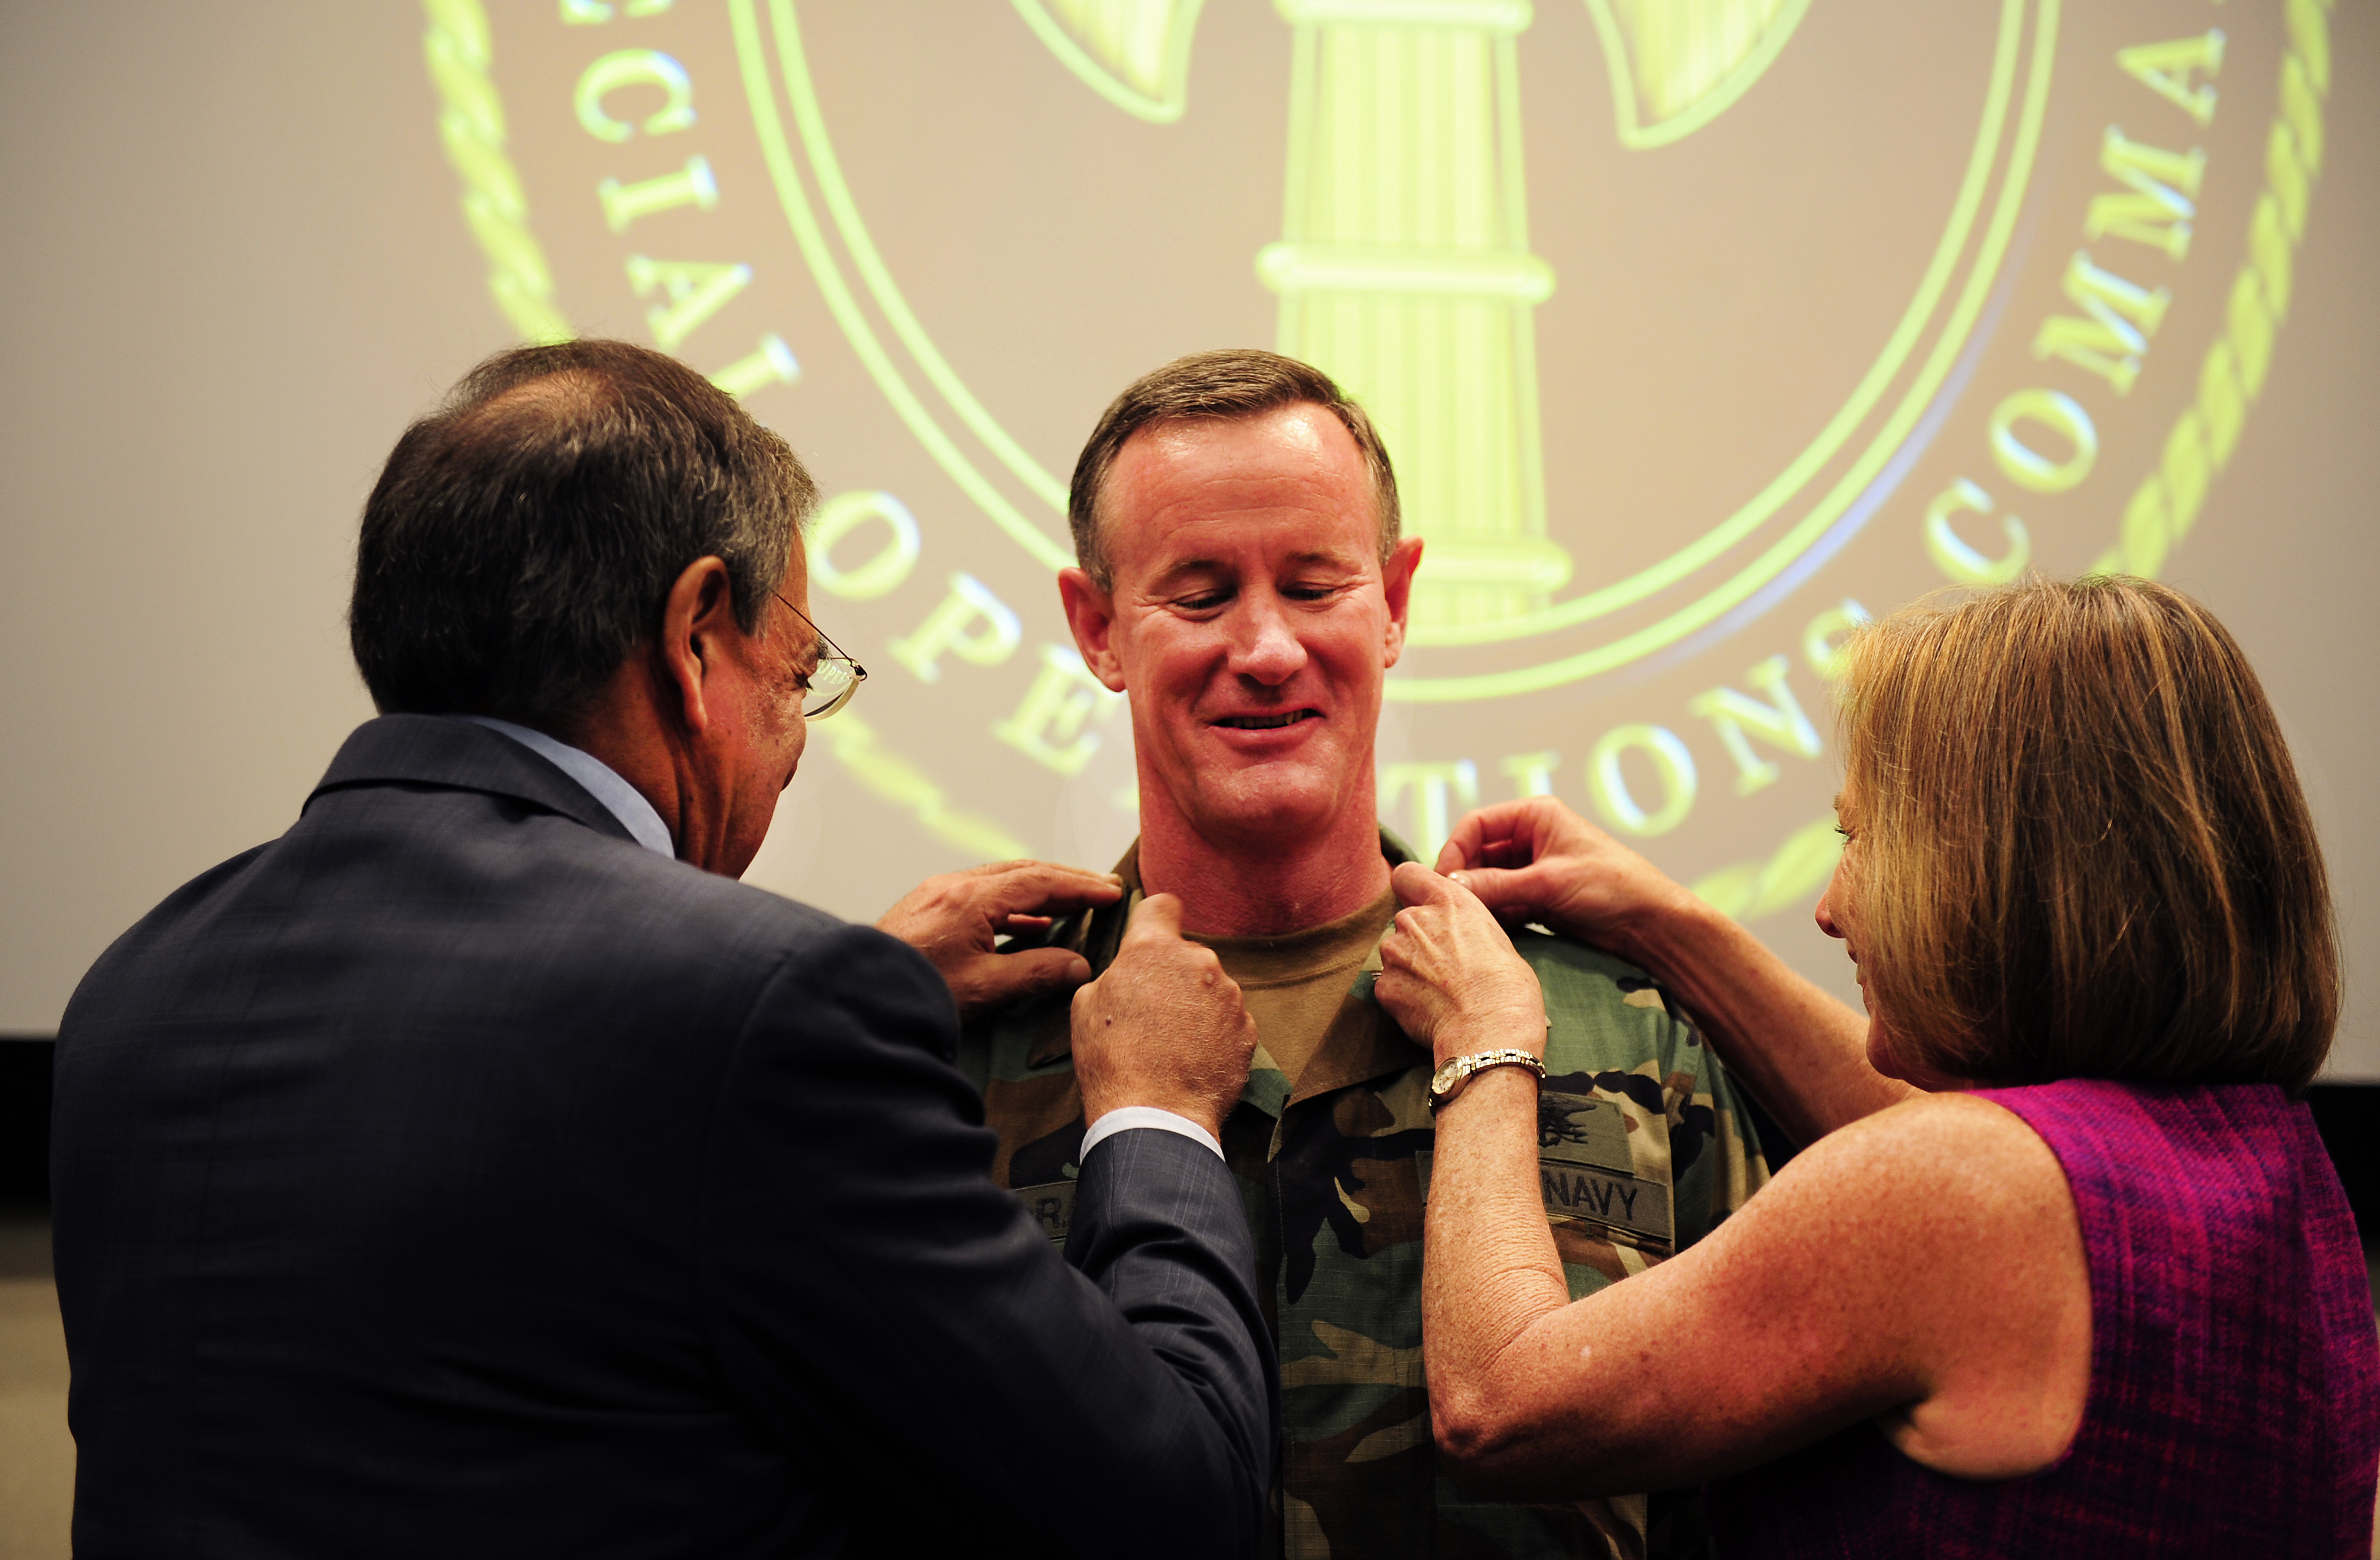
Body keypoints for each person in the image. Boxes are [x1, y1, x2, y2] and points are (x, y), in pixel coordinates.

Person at [50, 340, 1275, 1559]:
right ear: (695, 637)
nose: (795, 740)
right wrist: (1156, 1115)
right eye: (798, 672)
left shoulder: (138, 985)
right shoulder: (759, 1015)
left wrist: (837, 993)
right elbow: (1168, 1512)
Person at [1379, 576, 2379, 1557]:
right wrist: (1666, 922)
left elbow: (1500, 1401)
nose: (1830, 903)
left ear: (1998, 865)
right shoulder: (2262, 1156)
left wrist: (1485, 1035)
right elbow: (1937, 1144)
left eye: (1859, 836)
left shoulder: (1964, 1194)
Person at [959, 349, 1770, 1559]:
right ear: (1095, 627)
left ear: (1393, 601)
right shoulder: (968, 1045)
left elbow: (1759, 1491)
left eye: (1313, 582)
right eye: (1197, 592)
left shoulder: (1625, 1028)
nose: (1268, 646)